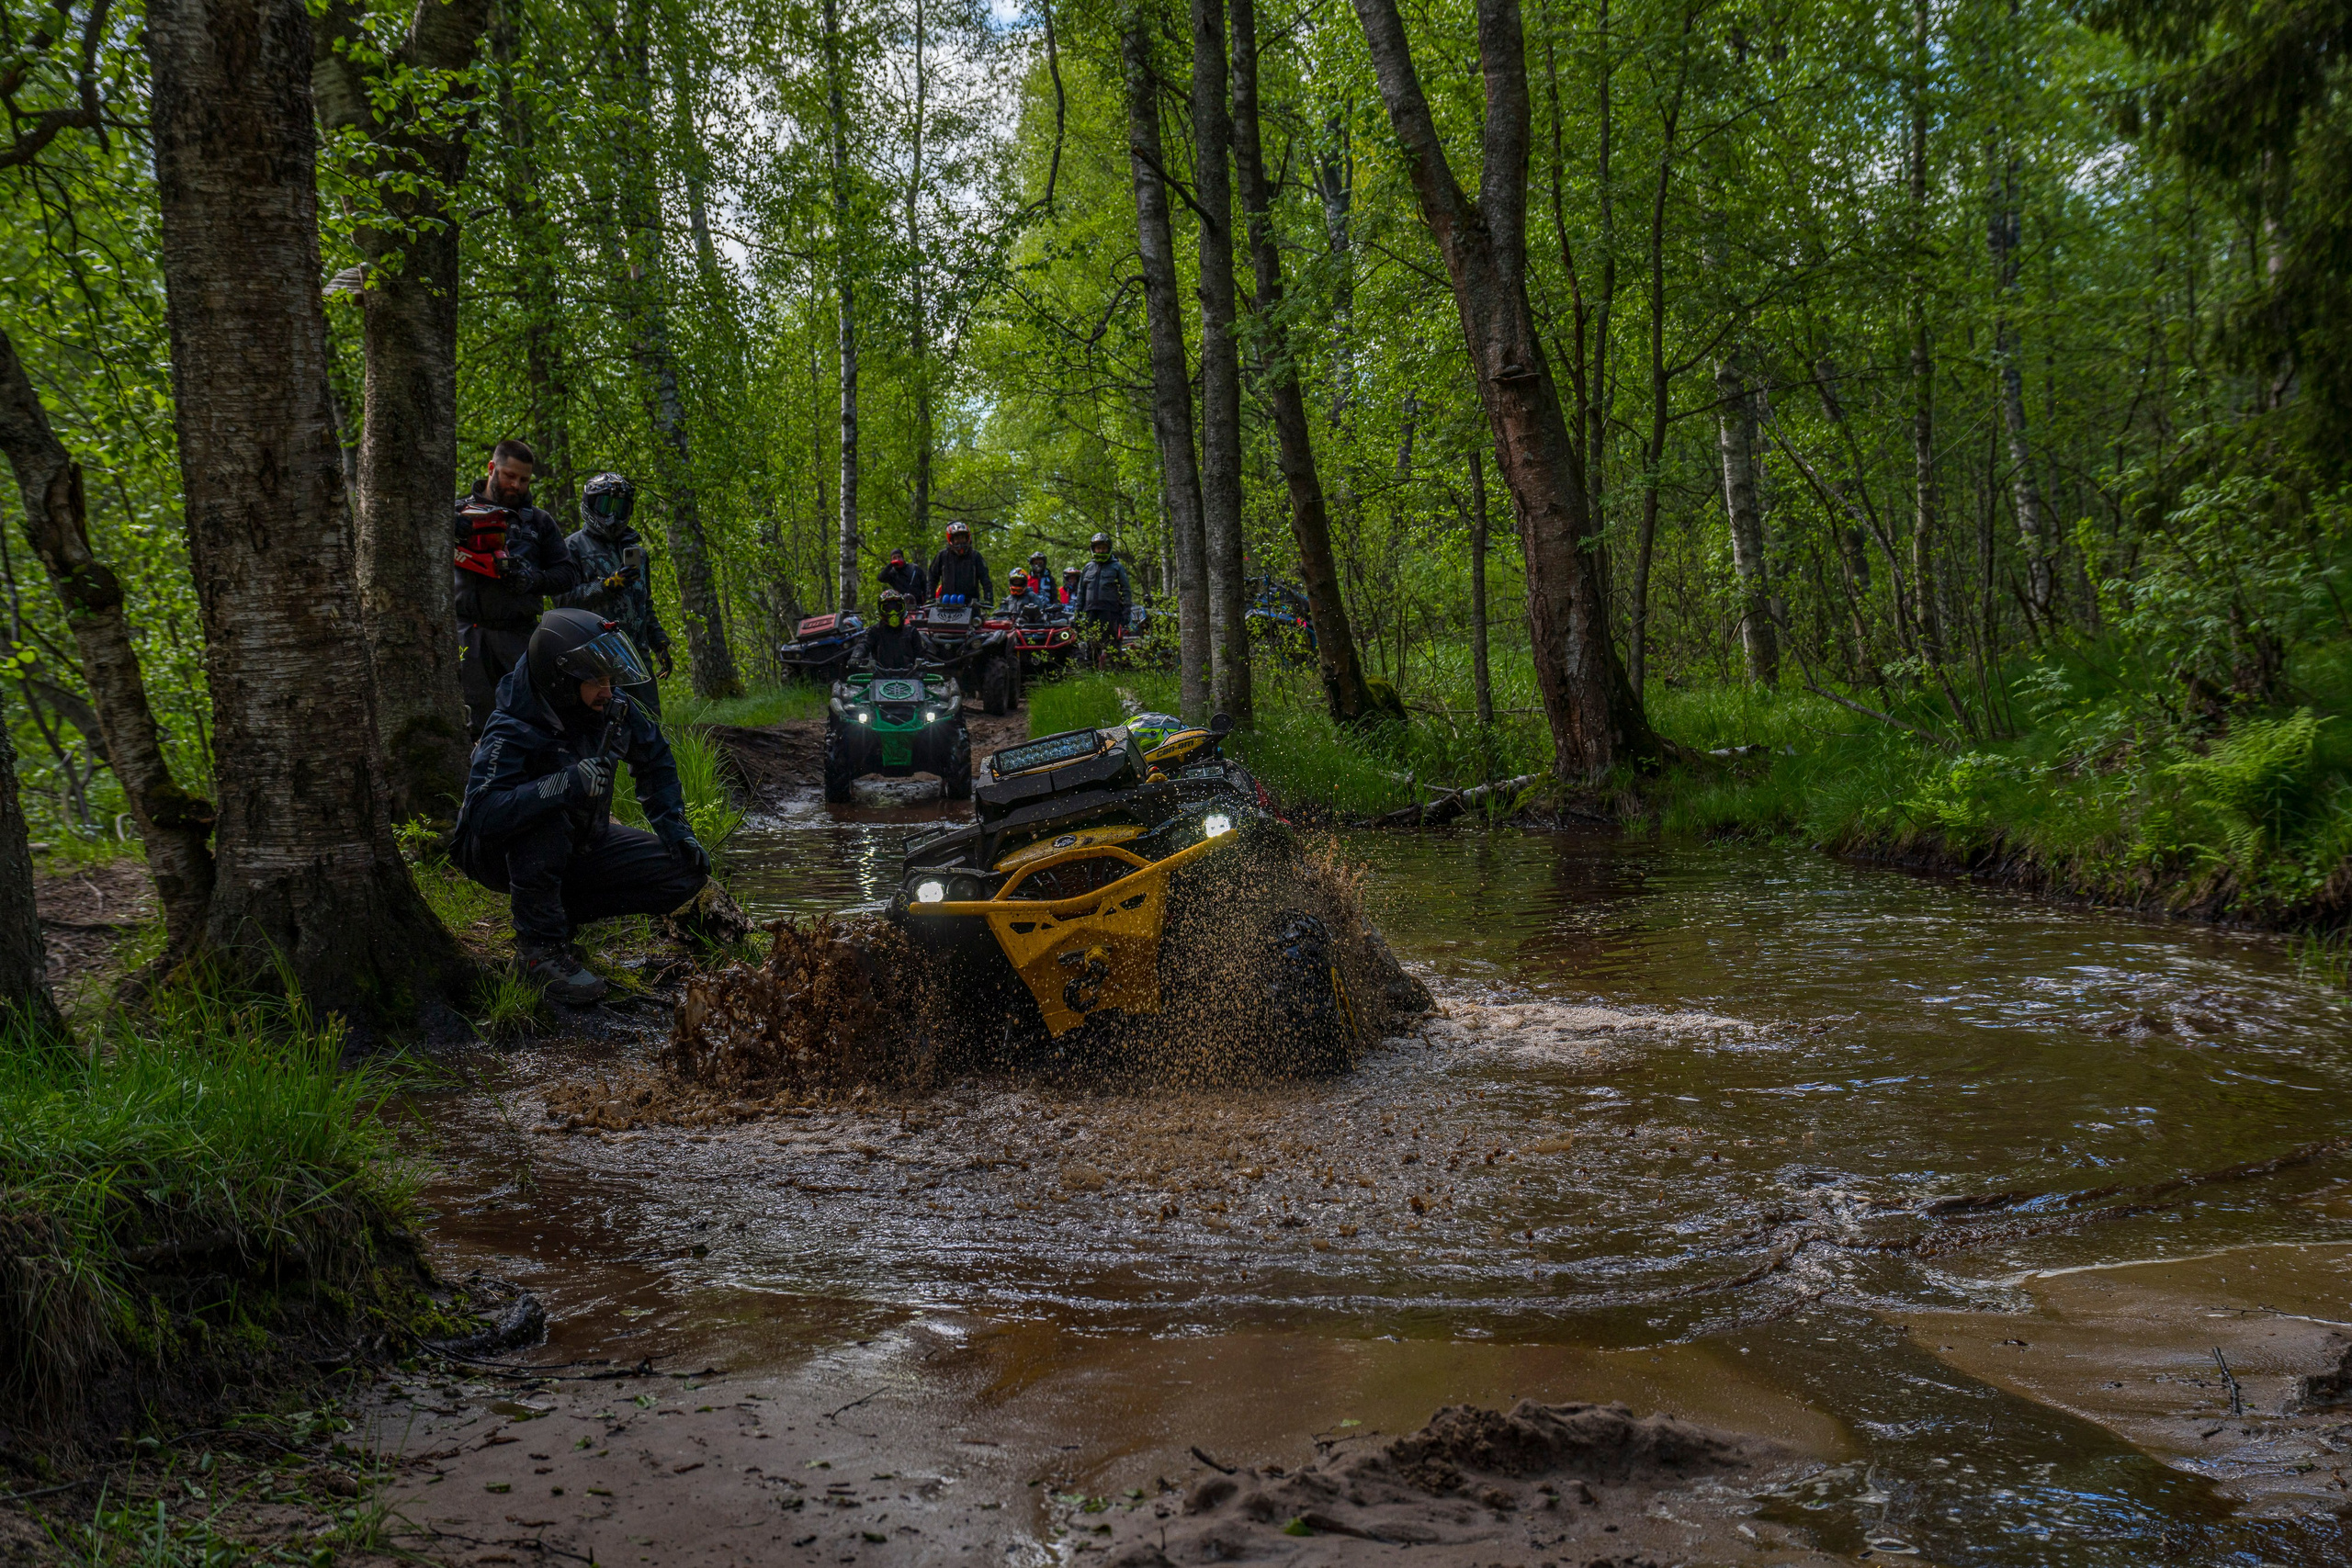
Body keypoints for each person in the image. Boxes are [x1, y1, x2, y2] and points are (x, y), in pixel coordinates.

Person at [452, 608, 710, 1005]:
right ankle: (538, 952)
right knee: (547, 818)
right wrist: (564, 784)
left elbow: (654, 759)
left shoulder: (610, 708)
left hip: (582, 840)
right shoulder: (511, 726)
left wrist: (675, 827)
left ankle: (554, 919)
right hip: (498, 852)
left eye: (609, 679)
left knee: (684, 871)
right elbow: (484, 814)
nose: (607, 691)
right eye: (596, 681)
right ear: (561, 679)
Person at [456, 439, 583, 739]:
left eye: (524, 480)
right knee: (472, 724)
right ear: (491, 469)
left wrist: (532, 580)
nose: (516, 485)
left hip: (518, 637)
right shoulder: (457, 513)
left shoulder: (538, 522)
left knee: (528, 721)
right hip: (465, 636)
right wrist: (450, 529)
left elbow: (568, 573)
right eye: (509, 476)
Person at [557, 473, 673, 716]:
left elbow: (644, 604)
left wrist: (660, 643)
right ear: (590, 505)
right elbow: (563, 600)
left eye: (620, 508)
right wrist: (606, 586)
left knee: (648, 720)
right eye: (606, 506)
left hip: (636, 653)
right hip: (595, 654)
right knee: (599, 720)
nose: (612, 516)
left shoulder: (637, 553)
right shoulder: (573, 547)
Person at [1075, 532, 1135, 635]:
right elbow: (1081, 592)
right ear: (1093, 549)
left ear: (1108, 549)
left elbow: (1126, 590)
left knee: (1111, 644)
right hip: (1090, 611)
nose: (1101, 551)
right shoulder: (1088, 567)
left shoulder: (1117, 566)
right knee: (1091, 643)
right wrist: (1077, 614)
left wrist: (1126, 613)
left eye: (1103, 548)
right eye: (1098, 548)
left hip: (1110, 611)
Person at [849, 589, 923, 671]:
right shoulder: (874, 631)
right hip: (880, 677)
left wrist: (922, 665)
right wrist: (856, 657)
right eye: (888, 608)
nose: (893, 612)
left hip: (910, 677)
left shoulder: (911, 632)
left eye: (897, 607)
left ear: (903, 608)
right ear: (881, 610)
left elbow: (921, 655)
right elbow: (863, 645)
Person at [927, 521, 992, 605]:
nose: (960, 541)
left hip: (971, 604)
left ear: (967, 538)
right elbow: (932, 578)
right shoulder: (942, 556)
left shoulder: (975, 556)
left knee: (977, 619)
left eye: (962, 538)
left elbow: (985, 580)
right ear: (952, 540)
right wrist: (930, 598)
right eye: (957, 539)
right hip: (946, 604)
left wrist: (988, 599)